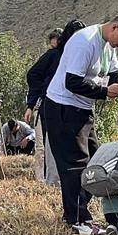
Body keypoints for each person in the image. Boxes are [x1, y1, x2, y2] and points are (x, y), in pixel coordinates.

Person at [42, 13, 118, 235]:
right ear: (114, 27)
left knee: (97, 162)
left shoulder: (108, 45)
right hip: (63, 107)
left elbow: (112, 72)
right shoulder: (85, 41)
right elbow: (72, 80)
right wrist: (105, 92)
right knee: (74, 165)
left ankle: (83, 211)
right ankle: (76, 220)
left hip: (83, 109)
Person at [26, 21, 82, 186]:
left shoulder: (76, 55)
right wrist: (41, 94)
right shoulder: (53, 55)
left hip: (73, 105)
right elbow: (33, 74)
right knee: (49, 143)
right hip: (51, 104)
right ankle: (52, 181)